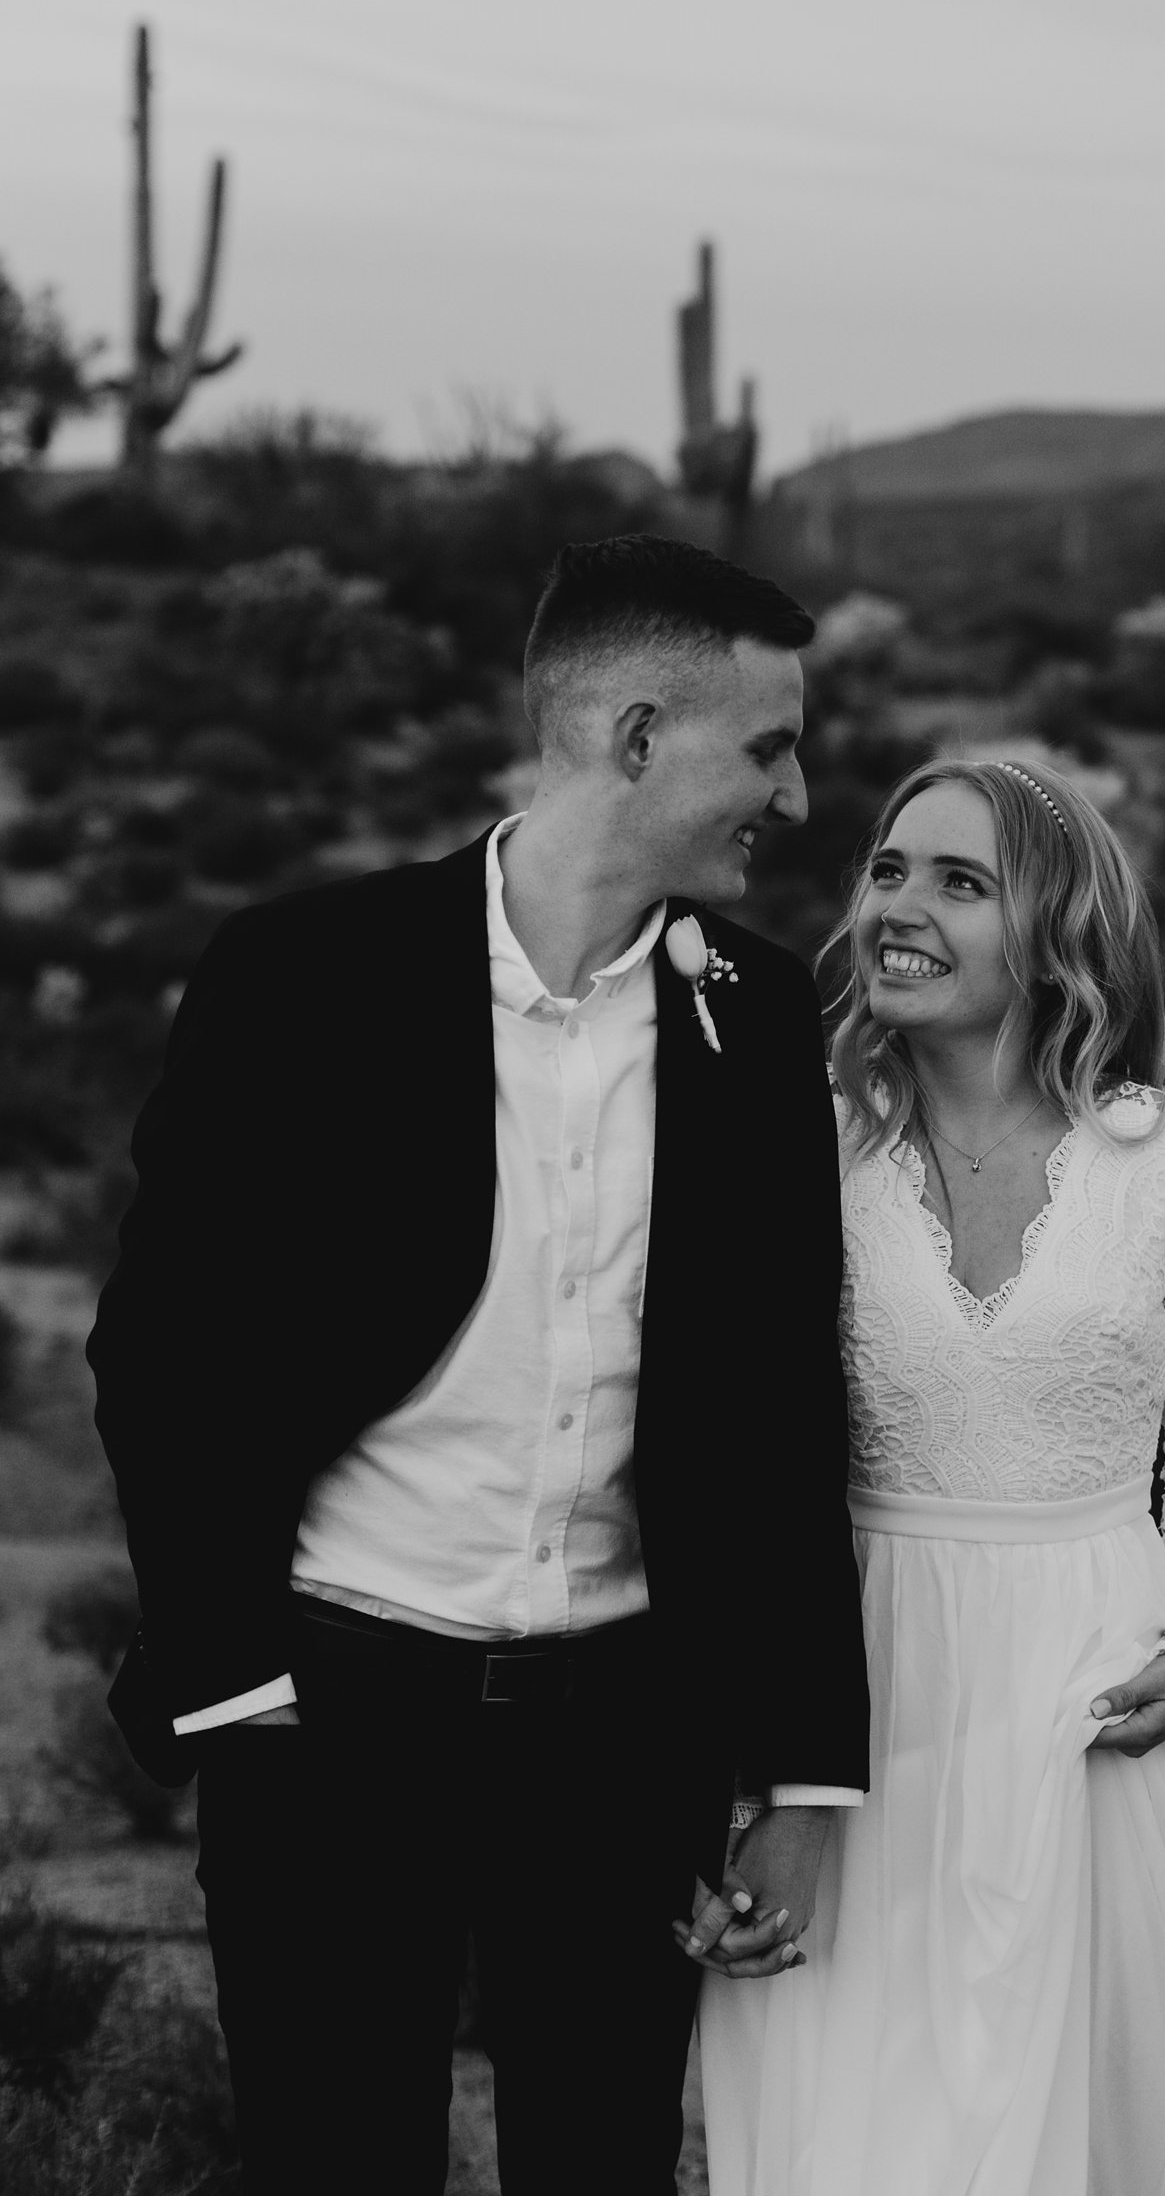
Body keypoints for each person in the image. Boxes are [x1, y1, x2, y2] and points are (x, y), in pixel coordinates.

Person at [88, 535, 870, 2196]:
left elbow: (786, 1412)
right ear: (637, 736)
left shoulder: (763, 1014)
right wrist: (239, 1694)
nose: (797, 801)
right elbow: (163, 1348)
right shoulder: (304, 972)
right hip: (330, 1717)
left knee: (598, 2164)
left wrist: (802, 1771)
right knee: (334, 2159)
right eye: (770, 747)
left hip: (626, 1737)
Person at [698, 756, 1165, 2196]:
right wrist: (743, 1766)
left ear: (1055, 927)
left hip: (1094, 1708)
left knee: (1083, 2133)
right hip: (858, 1698)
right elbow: (731, 1454)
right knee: (861, 2127)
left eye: (961, 883)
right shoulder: (799, 1144)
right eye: (890, 870)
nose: (901, 907)